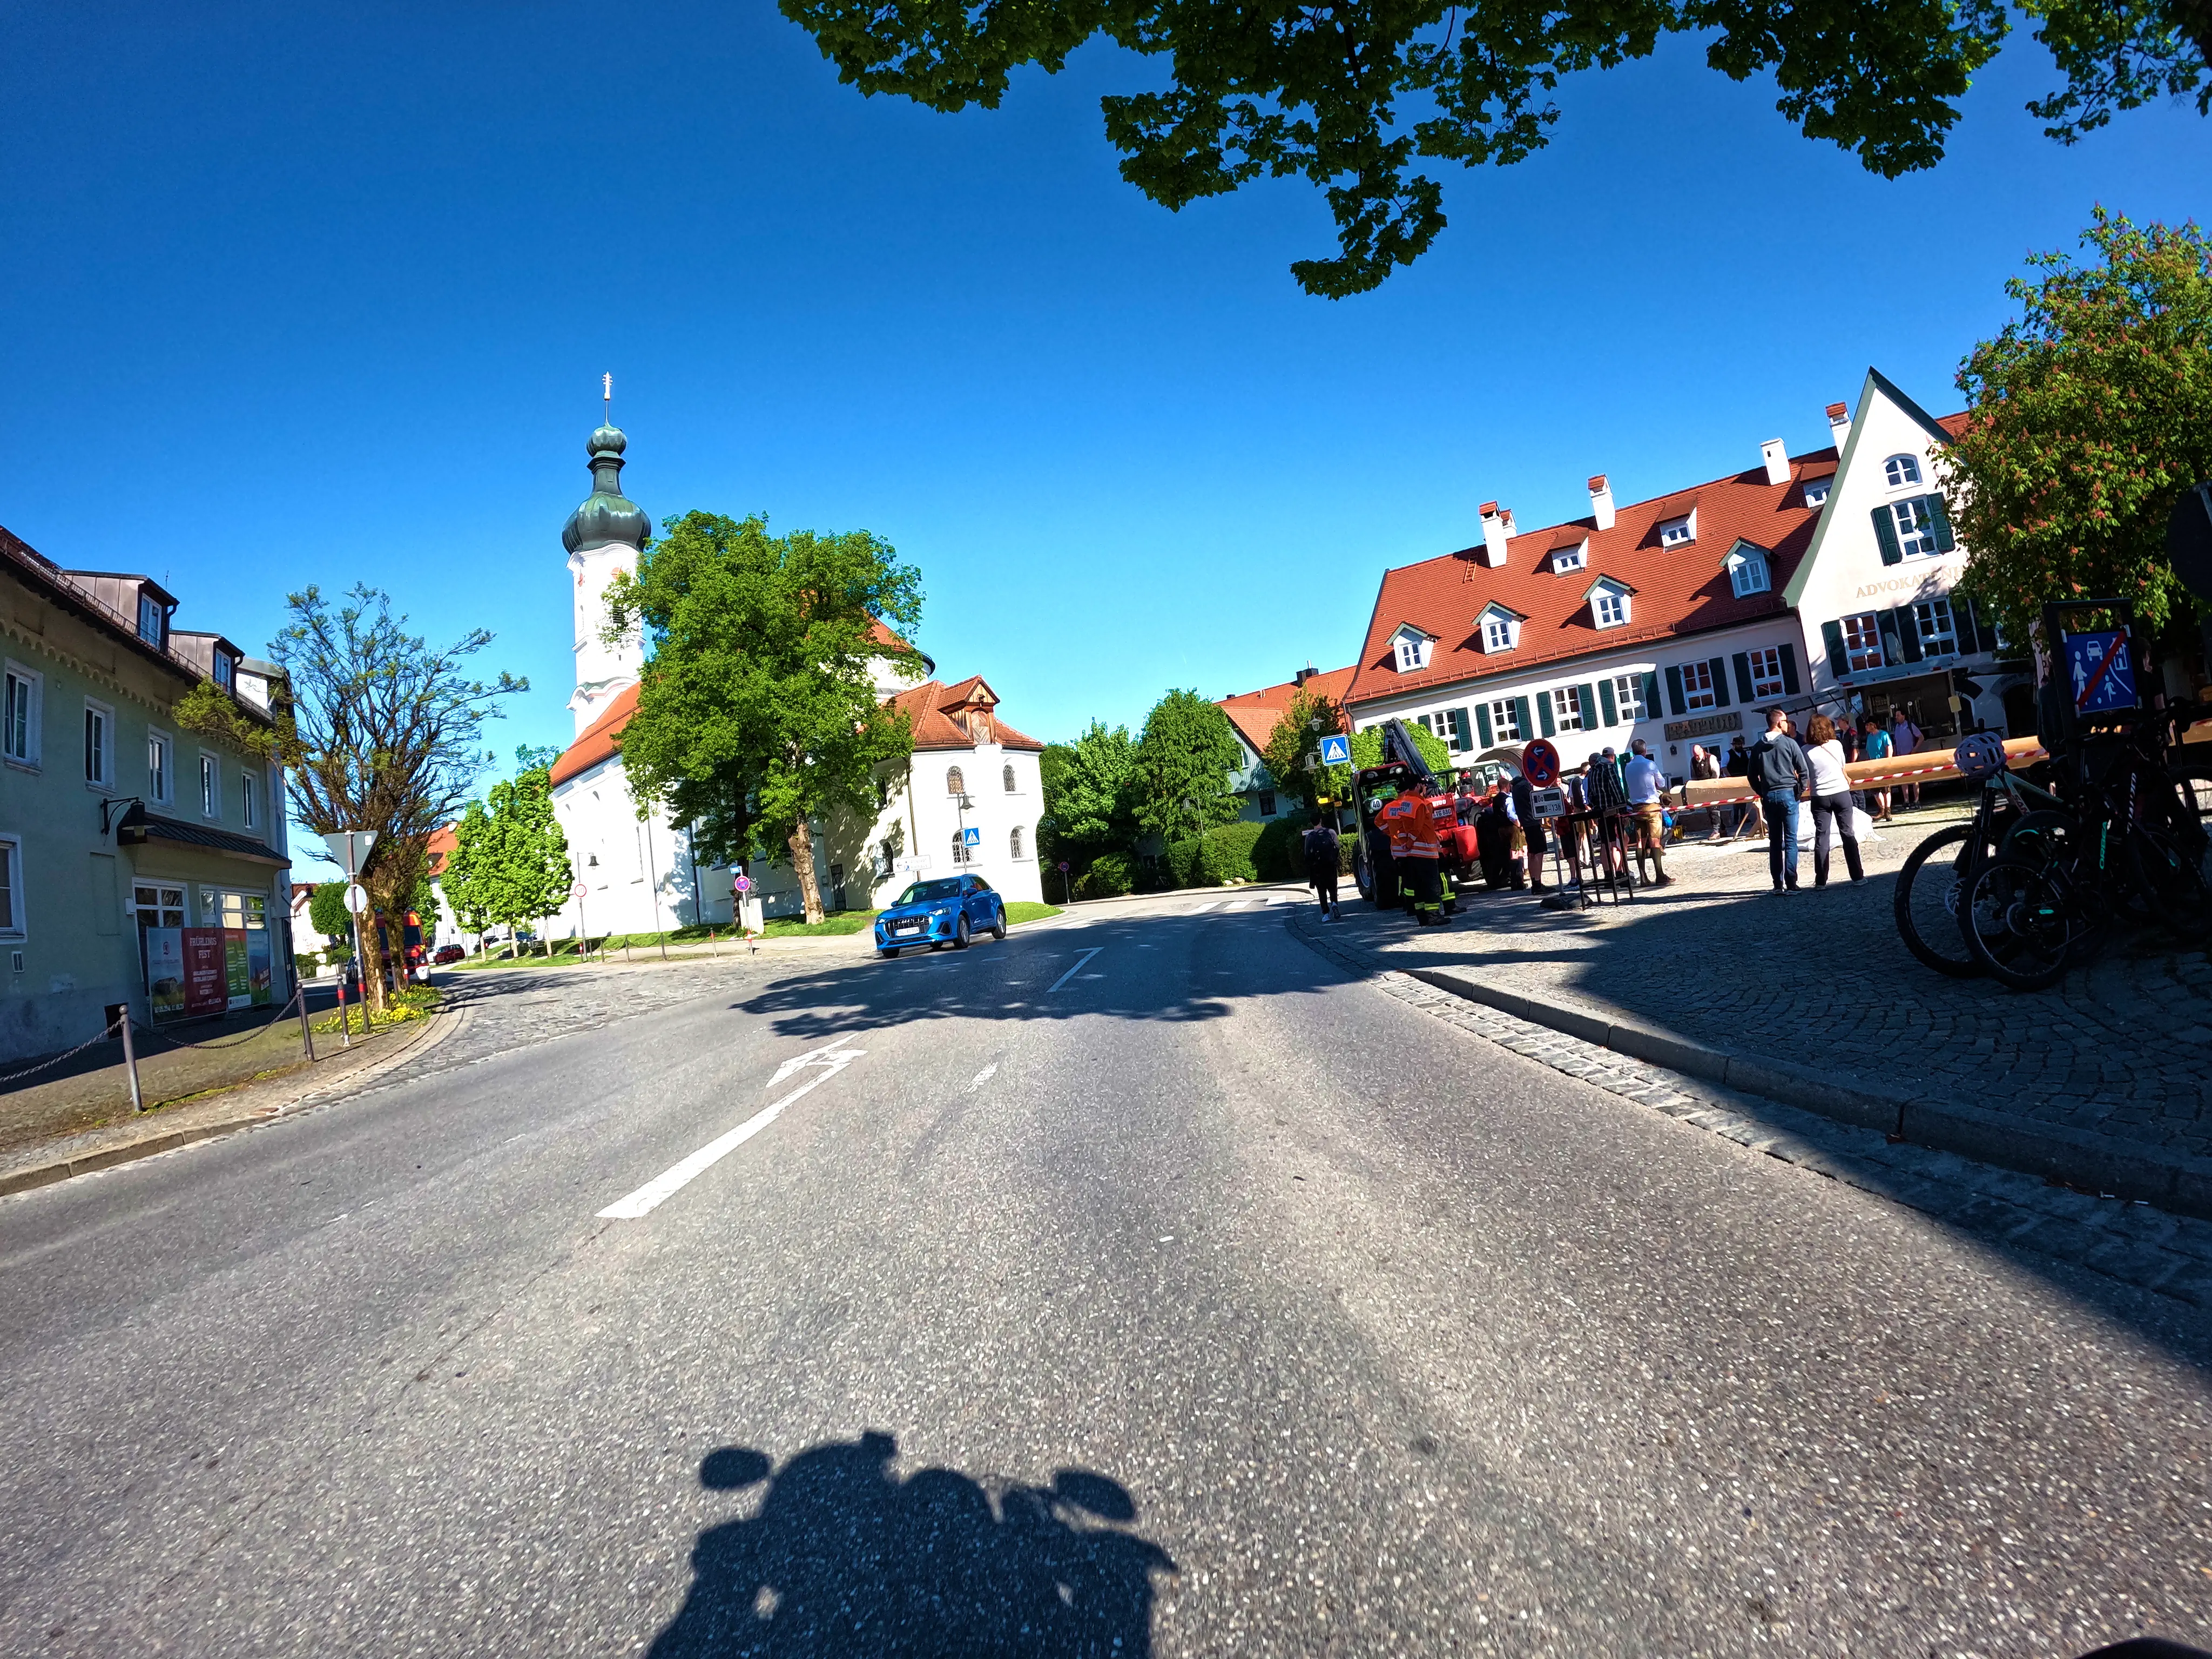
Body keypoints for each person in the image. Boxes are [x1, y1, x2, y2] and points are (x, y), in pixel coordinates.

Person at [1745, 706, 1810, 893]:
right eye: (1786, 721)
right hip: (1788, 793)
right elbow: (1803, 770)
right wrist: (1799, 791)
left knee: (1774, 842)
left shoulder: (1757, 747)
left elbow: (1751, 776)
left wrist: (1762, 792)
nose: (1787, 724)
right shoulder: (1789, 743)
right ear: (1779, 723)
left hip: (1769, 796)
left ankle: (1777, 884)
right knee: (1790, 841)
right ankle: (1791, 883)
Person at [1802, 713, 1865, 887]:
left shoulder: (1805, 750)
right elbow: (1843, 766)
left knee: (1822, 837)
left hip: (1819, 795)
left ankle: (1821, 880)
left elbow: (1806, 774)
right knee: (1848, 834)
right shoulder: (1837, 745)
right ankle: (1858, 876)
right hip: (1841, 793)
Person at [1378, 786, 1448, 924]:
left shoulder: (1389, 807)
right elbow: (1416, 827)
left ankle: (1416, 912)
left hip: (1400, 851)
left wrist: (1392, 834)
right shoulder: (1415, 804)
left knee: (1411, 884)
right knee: (1429, 885)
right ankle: (1432, 915)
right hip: (1419, 850)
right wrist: (1410, 842)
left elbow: (1379, 822)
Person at [1622, 738, 1673, 888]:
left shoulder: (1628, 767)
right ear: (1645, 751)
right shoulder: (1650, 764)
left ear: (1633, 751)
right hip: (1652, 807)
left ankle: (1643, 877)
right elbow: (1662, 783)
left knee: (1640, 842)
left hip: (1637, 808)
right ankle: (1660, 875)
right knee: (1655, 841)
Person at [1508, 769, 1549, 893]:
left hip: (1526, 822)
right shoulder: (1525, 786)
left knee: (1532, 853)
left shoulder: (1516, 787)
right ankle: (1537, 883)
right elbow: (1534, 802)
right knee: (1538, 852)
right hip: (1533, 821)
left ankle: (1535, 882)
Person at [1301, 815, 1342, 920]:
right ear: (1321, 820)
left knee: (1322, 890)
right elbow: (1337, 846)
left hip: (1318, 868)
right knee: (1333, 887)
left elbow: (1307, 854)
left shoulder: (1310, 837)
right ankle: (1334, 903)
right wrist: (1333, 858)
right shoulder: (1331, 832)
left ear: (1311, 823)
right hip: (1330, 865)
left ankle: (1326, 914)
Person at [1364, 791, 1400, 911]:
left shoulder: (1391, 807)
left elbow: (1378, 822)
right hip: (1407, 846)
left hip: (1400, 847)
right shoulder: (1407, 804)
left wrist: (1389, 832)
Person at [1723, 734, 1762, 840]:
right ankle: (1736, 819)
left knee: (1745, 799)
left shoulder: (1744, 754)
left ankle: (1743, 817)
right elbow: (1724, 767)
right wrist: (1729, 778)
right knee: (1736, 800)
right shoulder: (1728, 754)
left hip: (1744, 778)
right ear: (1734, 745)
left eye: (1741, 744)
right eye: (1738, 744)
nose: (1740, 746)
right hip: (1734, 779)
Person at [1890, 705, 1924, 808]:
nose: (1896, 717)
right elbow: (1896, 742)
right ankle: (1906, 801)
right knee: (1903, 779)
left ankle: (1916, 801)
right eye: (1896, 715)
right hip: (1901, 757)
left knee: (1914, 779)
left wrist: (1914, 750)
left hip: (1910, 756)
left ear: (1903, 716)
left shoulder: (1910, 725)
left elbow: (1921, 737)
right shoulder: (1896, 727)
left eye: (1898, 715)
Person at [1859, 713, 1891, 819]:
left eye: (1868, 725)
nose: (1866, 727)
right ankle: (1881, 810)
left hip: (1883, 765)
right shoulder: (1869, 737)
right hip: (1874, 765)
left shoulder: (1884, 735)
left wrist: (1888, 762)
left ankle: (1888, 811)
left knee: (1887, 790)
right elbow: (1869, 751)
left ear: (1873, 725)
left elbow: (1889, 748)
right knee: (1876, 790)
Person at [1689, 742, 1723, 839]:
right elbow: (1693, 775)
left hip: (1712, 786)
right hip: (1702, 788)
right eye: (1695, 756)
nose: (1696, 757)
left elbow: (1716, 773)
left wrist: (1712, 785)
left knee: (1714, 809)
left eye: (1698, 755)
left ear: (1702, 751)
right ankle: (1722, 829)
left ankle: (1716, 831)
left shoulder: (1711, 758)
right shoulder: (1693, 761)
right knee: (1710, 810)